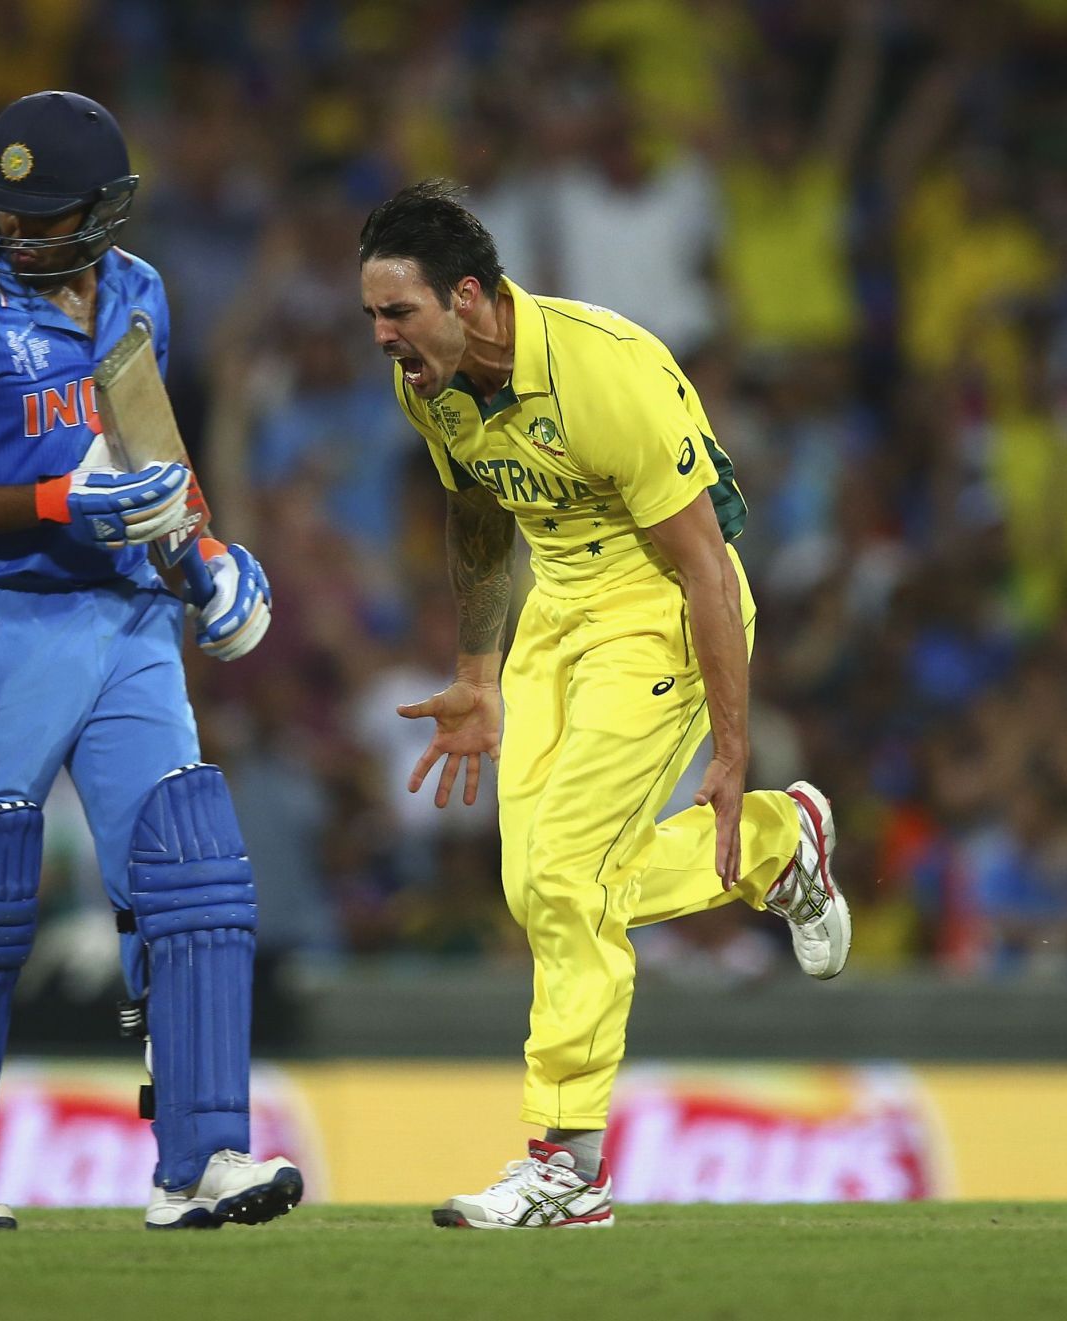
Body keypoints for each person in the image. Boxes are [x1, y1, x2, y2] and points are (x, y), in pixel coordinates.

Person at [358, 180, 851, 1229]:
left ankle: (568, 1166)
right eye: (372, 317)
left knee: (570, 876)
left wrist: (731, 750)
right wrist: (481, 670)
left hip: (661, 609)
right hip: (556, 612)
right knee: (540, 889)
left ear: (471, 297)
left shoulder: (602, 371)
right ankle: (778, 847)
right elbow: (481, 512)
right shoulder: (430, 388)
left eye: (397, 314)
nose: (382, 338)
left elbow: (708, 570)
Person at [0, 90, 299, 1232]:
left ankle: (204, 1160)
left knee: (191, 866)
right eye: (2, 212)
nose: (14, 233)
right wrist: (54, 499)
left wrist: (206, 558)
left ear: (104, 214)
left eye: (40, 215)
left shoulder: (140, 292)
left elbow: (152, 450)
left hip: (127, 621)